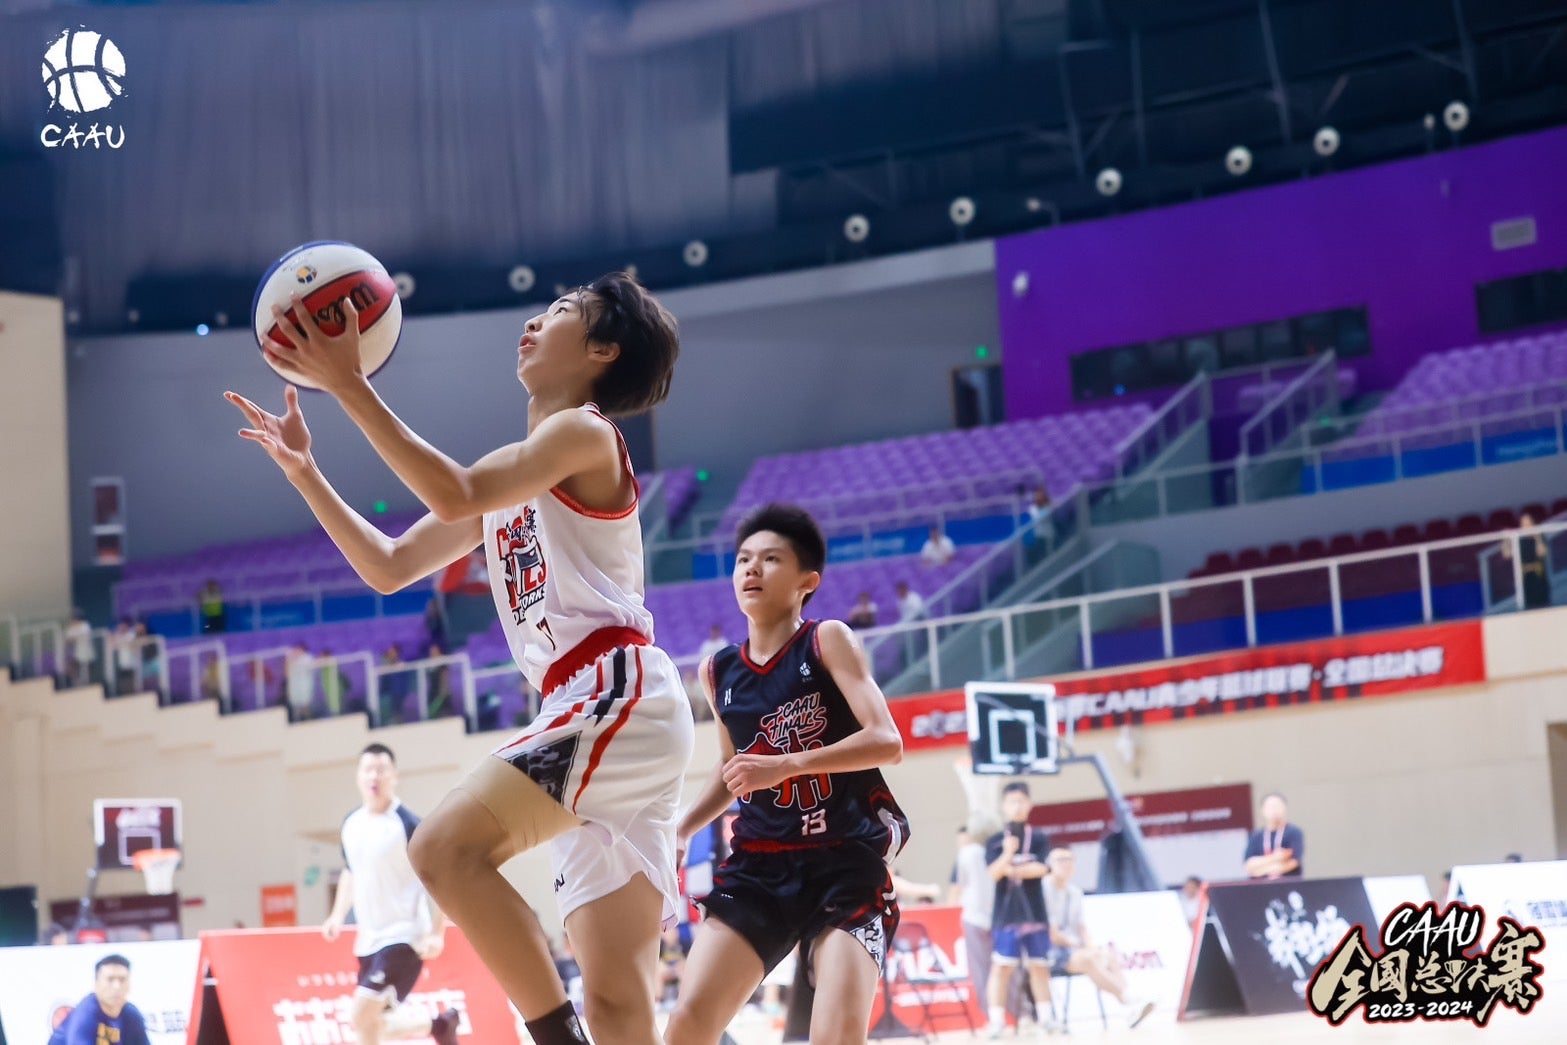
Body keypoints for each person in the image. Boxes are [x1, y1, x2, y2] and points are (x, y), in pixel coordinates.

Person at [227, 272, 691, 1045]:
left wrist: (348, 383)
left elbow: (454, 490)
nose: (534, 321)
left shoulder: (584, 432)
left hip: (614, 690)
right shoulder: (514, 469)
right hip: (588, 709)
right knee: (620, 1011)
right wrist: (307, 474)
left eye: (562, 313)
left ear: (604, 351)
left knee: (440, 847)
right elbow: (387, 565)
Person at [665, 504, 910, 1045]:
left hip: (845, 860)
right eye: (744, 559)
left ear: (807, 582)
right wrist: (682, 828)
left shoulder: (828, 640)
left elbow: (887, 740)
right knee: (685, 1027)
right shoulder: (717, 670)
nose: (751, 569)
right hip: (762, 866)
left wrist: (787, 764)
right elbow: (731, 773)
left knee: (837, 1034)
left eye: (771, 559)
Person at [324, 744, 460, 1045]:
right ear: (358, 776)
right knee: (372, 1027)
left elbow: (443, 881)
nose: (374, 775)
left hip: (404, 938)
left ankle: (439, 1025)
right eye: (367, 769)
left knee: (360, 1015)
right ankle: (439, 1025)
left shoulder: (408, 825)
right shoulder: (351, 823)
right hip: (368, 941)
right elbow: (350, 871)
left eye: (381, 769)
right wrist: (336, 914)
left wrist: (438, 934)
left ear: (394, 776)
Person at [1041, 848, 1154, 1029]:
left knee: (1106, 954)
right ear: (1049, 865)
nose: (1066, 864)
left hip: (1074, 949)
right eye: (1060, 860)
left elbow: (1081, 927)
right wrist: (1081, 946)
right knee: (1087, 958)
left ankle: (1128, 1007)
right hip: (1049, 951)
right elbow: (1051, 933)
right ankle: (1128, 1000)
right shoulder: (1043, 889)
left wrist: (1091, 945)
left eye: (1070, 859)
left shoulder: (1075, 892)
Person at [985, 781, 1055, 1038]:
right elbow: (993, 873)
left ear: (1030, 804)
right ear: (1003, 805)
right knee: (1001, 968)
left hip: (1035, 912)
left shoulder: (1039, 838)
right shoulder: (994, 840)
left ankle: (1046, 1019)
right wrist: (1008, 854)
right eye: (1012, 801)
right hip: (1006, 914)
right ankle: (996, 1022)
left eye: (1021, 801)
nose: (1017, 806)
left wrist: (1010, 868)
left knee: (1039, 966)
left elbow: (1043, 869)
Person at [48, 954, 150, 1045]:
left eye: (122, 980)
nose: (117, 986)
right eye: (110, 979)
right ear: (96, 984)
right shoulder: (85, 1016)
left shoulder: (132, 1015)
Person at [949, 823, 996, 1015]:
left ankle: (991, 1014)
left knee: (982, 969)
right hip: (994, 916)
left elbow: (957, 888)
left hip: (975, 916)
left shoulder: (966, 854)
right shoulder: (994, 851)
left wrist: (951, 905)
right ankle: (1015, 1013)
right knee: (1002, 967)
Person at [1243, 792, 1305, 879]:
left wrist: (1260, 869)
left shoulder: (1294, 832)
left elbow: (1293, 862)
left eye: (1277, 806)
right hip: (1260, 887)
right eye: (1270, 807)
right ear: (1262, 810)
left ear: (1284, 808)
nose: (1274, 810)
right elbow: (1249, 865)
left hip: (1288, 884)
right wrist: (1275, 858)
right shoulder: (1256, 836)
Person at [1501, 512, 1552, 609]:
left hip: (1540, 582)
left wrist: (1537, 537)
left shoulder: (1540, 537)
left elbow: (1542, 552)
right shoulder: (1519, 541)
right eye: (1523, 524)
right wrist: (1506, 540)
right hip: (1525, 583)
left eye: (1528, 524)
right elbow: (1507, 555)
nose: (1526, 527)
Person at [65, 608, 94, 687]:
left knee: (86, 668)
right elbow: (68, 639)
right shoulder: (71, 628)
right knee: (74, 667)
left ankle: (87, 683)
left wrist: (75, 637)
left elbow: (83, 636)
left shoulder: (85, 626)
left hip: (85, 651)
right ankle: (77, 683)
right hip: (75, 653)